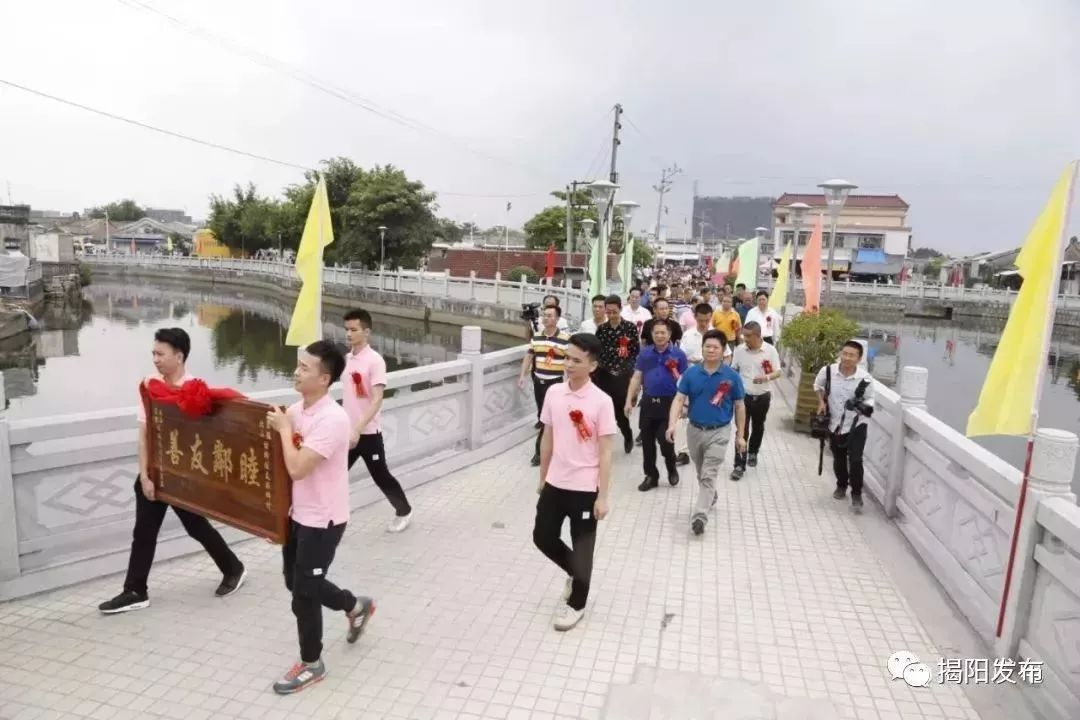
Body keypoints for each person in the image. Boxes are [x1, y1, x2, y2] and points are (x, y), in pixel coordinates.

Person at [98, 328, 246, 615]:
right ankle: (135, 590)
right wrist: (144, 475)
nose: (155, 359)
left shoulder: (196, 390)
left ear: (179, 356)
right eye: (153, 353)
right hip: (155, 471)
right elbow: (144, 432)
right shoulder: (150, 387)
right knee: (144, 532)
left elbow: (214, 434)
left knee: (196, 527)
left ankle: (233, 568)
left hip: (184, 476)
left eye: (160, 354)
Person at [266, 340, 375, 694]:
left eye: (305, 368)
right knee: (294, 582)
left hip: (324, 519)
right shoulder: (298, 411)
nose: (296, 372)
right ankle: (355, 605)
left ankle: (311, 662)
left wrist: (284, 430)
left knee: (304, 592)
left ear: (325, 379)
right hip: (298, 514)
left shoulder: (333, 419)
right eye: (298, 366)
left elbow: (296, 468)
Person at [533, 333, 615, 631]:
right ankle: (575, 573)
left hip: (584, 487)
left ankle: (577, 603)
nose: (568, 364)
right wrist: (543, 478)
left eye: (576, 361)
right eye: (567, 358)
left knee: (583, 549)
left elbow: (606, 452)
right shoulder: (554, 393)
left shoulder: (602, 402)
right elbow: (547, 438)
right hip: (556, 481)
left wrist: (602, 496)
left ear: (592, 366)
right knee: (542, 537)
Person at [666, 331, 746, 536]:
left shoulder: (732, 377)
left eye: (715, 347)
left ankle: (700, 517)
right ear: (702, 348)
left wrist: (740, 435)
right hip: (694, 430)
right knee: (702, 471)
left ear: (723, 351)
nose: (710, 350)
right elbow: (678, 399)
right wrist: (672, 424)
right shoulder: (691, 373)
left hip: (719, 432)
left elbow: (739, 406)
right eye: (707, 346)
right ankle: (711, 495)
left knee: (709, 473)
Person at [343, 309, 413, 533]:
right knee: (334, 474)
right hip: (348, 432)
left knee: (380, 475)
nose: (348, 334)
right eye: (347, 330)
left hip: (368, 433)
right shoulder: (347, 359)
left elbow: (376, 399)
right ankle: (336, 516)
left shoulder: (375, 361)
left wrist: (359, 428)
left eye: (353, 330)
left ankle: (404, 511)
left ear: (367, 332)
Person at [814, 341, 875, 514]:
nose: (847, 358)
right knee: (838, 457)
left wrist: (862, 406)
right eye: (845, 353)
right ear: (840, 353)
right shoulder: (828, 371)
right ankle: (841, 485)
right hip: (835, 423)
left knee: (856, 460)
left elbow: (870, 399)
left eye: (852, 355)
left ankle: (857, 493)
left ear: (859, 358)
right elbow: (817, 386)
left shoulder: (865, 379)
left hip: (857, 423)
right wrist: (821, 402)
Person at [626, 322, 687, 491]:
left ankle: (671, 466)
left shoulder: (679, 355)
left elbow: (684, 381)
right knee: (647, 443)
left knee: (665, 441)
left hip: (669, 403)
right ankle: (651, 475)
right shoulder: (645, 354)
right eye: (656, 333)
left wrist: (684, 404)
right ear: (652, 334)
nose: (660, 336)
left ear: (669, 335)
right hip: (648, 402)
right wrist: (628, 400)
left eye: (663, 333)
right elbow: (637, 377)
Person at [729, 322, 782, 480]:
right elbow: (733, 368)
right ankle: (739, 464)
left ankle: (753, 452)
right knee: (741, 430)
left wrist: (766, 377)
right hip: (743, 397)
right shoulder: (739, 350)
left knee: (758, 427)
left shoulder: (770, 351)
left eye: (748, 336)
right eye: (744, 335)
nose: (745, 339)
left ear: (758, 336)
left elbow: (778, 372)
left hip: (762, 396)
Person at [519, 306, 571, 465]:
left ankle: (539, 452)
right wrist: (523, 374)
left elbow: (569, 362)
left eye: (549, 316)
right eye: (544, 315)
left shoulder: (565, 338)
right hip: (539, 381)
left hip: (555, 383)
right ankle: (552, 445)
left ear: (556, 319)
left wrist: (569, 384)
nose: (546, 318)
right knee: (543, 415)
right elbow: (529, 356)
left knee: (547, 417)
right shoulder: (537, 337)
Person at [594, 294, 639, 454]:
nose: (612, 315)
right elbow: (596, 352)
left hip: (622, 375)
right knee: (603, 409)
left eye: (614, 312)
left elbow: (635, 352)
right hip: (604, 374)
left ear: (620, 309)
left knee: (619, 410)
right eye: (609, 312)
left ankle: (627, 433)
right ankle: (601, 443)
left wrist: (629, 372)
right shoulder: (602, 329)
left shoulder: (630, 328)